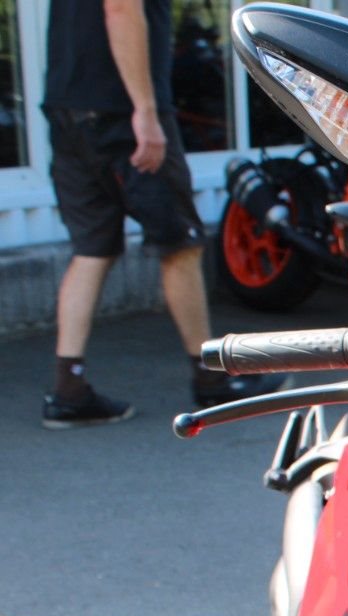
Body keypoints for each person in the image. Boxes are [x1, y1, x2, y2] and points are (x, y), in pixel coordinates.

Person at [41, 0, 280, 429]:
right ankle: (211, 379)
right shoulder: (136, 111)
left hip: (68, 107)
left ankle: (68, 389)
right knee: (181, 244)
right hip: (121, 113)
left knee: (92, 249)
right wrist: (146, 111)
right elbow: (120, 8)